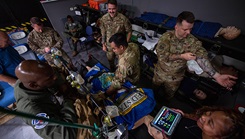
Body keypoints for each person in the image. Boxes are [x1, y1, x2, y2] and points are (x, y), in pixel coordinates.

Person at [152, 11, 237, 100]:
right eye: (185, 29)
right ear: (176, 27)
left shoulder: (192, 41)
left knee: (169, 95)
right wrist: (181, 56)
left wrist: (216, 76)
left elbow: (201, 58)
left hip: (175, 77)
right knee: (154, 90)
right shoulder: (166, 37)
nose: (188, 32)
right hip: (159, 73)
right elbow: (162, 56)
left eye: (191, 29)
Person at [14, 60, 79, 139]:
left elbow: (50, 72)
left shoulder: (31, 80)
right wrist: (68, 101)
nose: (55, 77)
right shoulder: (32, 111)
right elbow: (65, 135)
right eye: (50, 78)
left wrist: (61, 83)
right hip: (59, 119)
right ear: (34, 85)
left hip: (55, 102)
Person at [99, 0, 132, 71]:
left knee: (121, 62)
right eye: (109, 9)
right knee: (110, 60)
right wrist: (103, 44)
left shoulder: (123, 19)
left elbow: (129, 31)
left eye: (113, 9)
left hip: (120, 46)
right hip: (109, 46)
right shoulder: (104, 19)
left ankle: (120, 74)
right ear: (107, 8)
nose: (111, 11)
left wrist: (125, 44)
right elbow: (103, 31)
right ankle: (112, 70)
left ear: (117, 8)